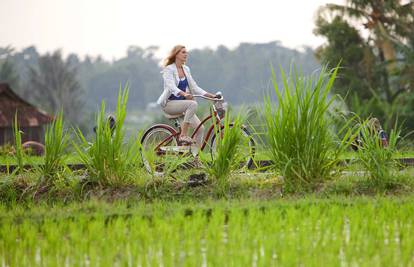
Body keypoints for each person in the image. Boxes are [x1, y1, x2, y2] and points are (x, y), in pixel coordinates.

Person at [157, 45, 217, 146]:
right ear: (176, 54)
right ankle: (183, 135)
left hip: (182, 105)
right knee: (192, 104)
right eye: (183, 52)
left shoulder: (186, 69)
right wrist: (184, 93)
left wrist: (211, 96)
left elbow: (195, 88)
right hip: (169, 104)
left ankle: (194, 158)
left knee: (200, 129)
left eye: (186, 52)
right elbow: (171, 86)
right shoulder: (169, 69)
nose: (186, 54)